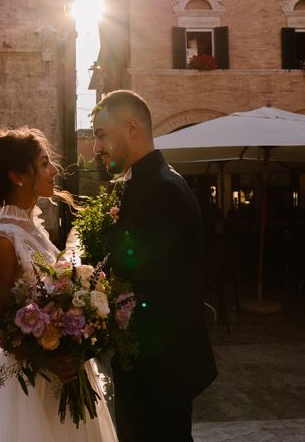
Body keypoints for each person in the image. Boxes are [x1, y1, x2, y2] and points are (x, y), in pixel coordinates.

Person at [0, 128, 117, 441]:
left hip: (62, 372)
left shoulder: (33, 229)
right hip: (31, 383)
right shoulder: (3, 241)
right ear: (18, 177)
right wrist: (49, 356)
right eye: (44, 164)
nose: (54, 171)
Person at [92, 90, 217, 442]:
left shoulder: (162, 189)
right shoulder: (143, 185)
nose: (96, 148)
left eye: (101, 135)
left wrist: (93, 310)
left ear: (131, 127)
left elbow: (152, 289)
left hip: (161, 367)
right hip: (147, 363)